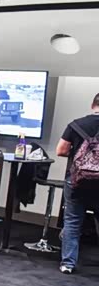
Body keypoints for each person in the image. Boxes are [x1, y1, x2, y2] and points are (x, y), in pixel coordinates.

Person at [55, 92, 99, 274]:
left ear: (93, 105)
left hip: (77, 180)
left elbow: (60, 150)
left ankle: (68, 264)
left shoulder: (76, 124)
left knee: (72, 221)